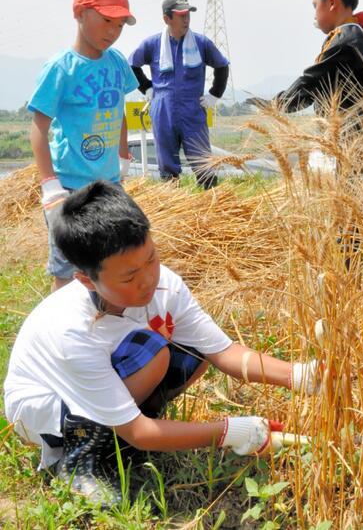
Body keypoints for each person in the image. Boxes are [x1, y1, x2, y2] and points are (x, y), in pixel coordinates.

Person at [4, 181, 321, 504]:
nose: (149, 280)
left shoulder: (165, 285)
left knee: (191, 353)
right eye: (129, 277)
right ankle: (81, 462)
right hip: (46, 412)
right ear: (86, 280)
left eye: (152, 259)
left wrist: (302, 376)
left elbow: (222, 351)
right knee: (152, 354)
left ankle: (121, 434)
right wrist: (227, 431)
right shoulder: (71, 330)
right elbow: (140, 434)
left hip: (109, 386)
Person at [28, 0, 139, 292]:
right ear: (79, 14)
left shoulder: (117, 63)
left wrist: (123, 156)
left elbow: (118, 111)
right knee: (66, 267)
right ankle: (59, 334)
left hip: (108, 185)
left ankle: (102, 324)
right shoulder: (61, 68)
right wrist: (50, 186)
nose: (113, 32)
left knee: (109, 259)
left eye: (119, 25)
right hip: (69, 187)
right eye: (106, 20)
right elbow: (38, 128)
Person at [248, 0, 363, 117]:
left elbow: (311, 84)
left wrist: (275, 105)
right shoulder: (358, 37)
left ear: (332, 3)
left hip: (353, 134)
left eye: (315, 5)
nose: (314, 15)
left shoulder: (344, 43)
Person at [128, 0, 229, 189]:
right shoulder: (152, 44)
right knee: (167, 164)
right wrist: (147, 88)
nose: (186, 20)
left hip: (193, 110)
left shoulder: (201, 43)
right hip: (163, 110)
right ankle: (174, 205)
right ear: (167, 19)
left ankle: (211, 203)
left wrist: (214, 94)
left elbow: (222, 65)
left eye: (188, 15)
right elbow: (132, 65)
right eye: (181, 15)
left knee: (203, 162)